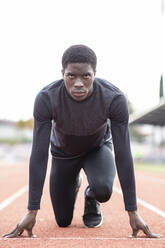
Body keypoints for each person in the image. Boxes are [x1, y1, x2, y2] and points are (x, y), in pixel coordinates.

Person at [3, 45, 161, 239]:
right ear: (62, 74)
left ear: (95, 74)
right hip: (63, 155)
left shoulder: (114, 99)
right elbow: (38, 153)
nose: (78, 83)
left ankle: (91, 196)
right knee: (63, 221)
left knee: (103, 189)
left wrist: (133, 211)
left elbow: (123, 153)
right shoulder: (46, 98)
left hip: (97, 149)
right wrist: (32, 210)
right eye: (71, 76)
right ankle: (74, 181)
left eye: (86, 76)